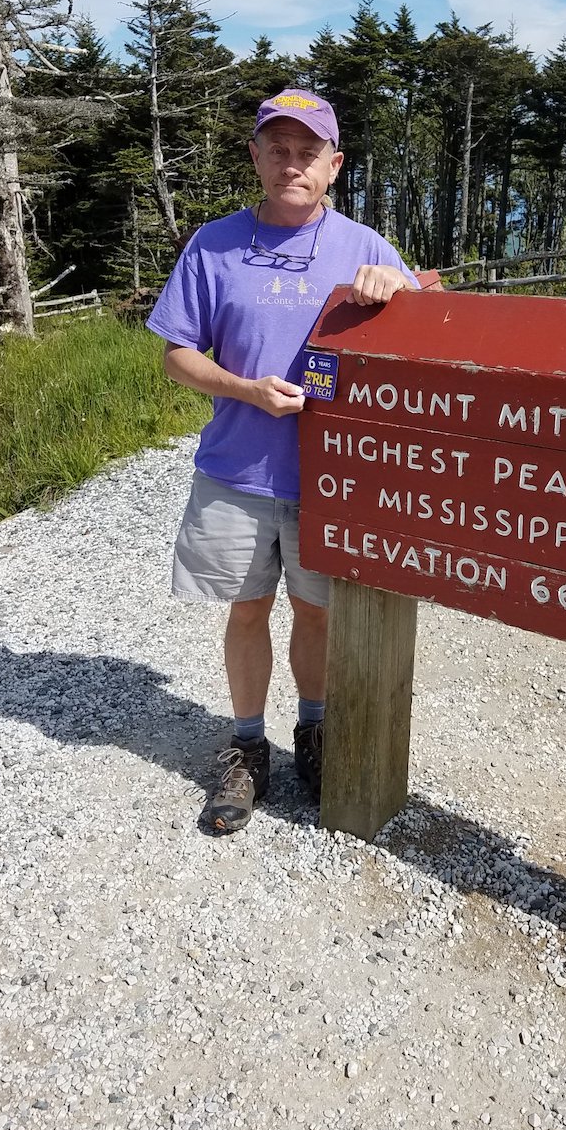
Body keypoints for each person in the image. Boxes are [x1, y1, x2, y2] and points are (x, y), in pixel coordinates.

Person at [146, 89, 418, 832]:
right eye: (278, 149)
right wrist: (243, 390)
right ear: (256, 156)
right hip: (234, 468)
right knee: (246, 608)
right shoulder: (213, 243)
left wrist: (400, 288)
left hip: (330, 479)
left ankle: (316, 733)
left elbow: (435, 314)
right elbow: (176, 355)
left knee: (319, 612)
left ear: (333, 166)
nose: (291, 164)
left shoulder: (364, 247)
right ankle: (245, 747)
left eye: (308, 153)